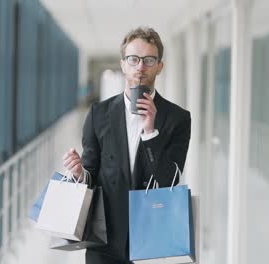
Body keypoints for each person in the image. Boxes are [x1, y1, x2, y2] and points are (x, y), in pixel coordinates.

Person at [63, 26, 191, 264]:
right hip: (104, 239)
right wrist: (79, 173)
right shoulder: (98, 114)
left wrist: (151, 131)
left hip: (152, 240)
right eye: (133, 59)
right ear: (123, 64)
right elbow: (91, 174)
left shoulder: (177, 118)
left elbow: (170, 181)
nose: (140, 67)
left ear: (159, 66)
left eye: (149, 59)